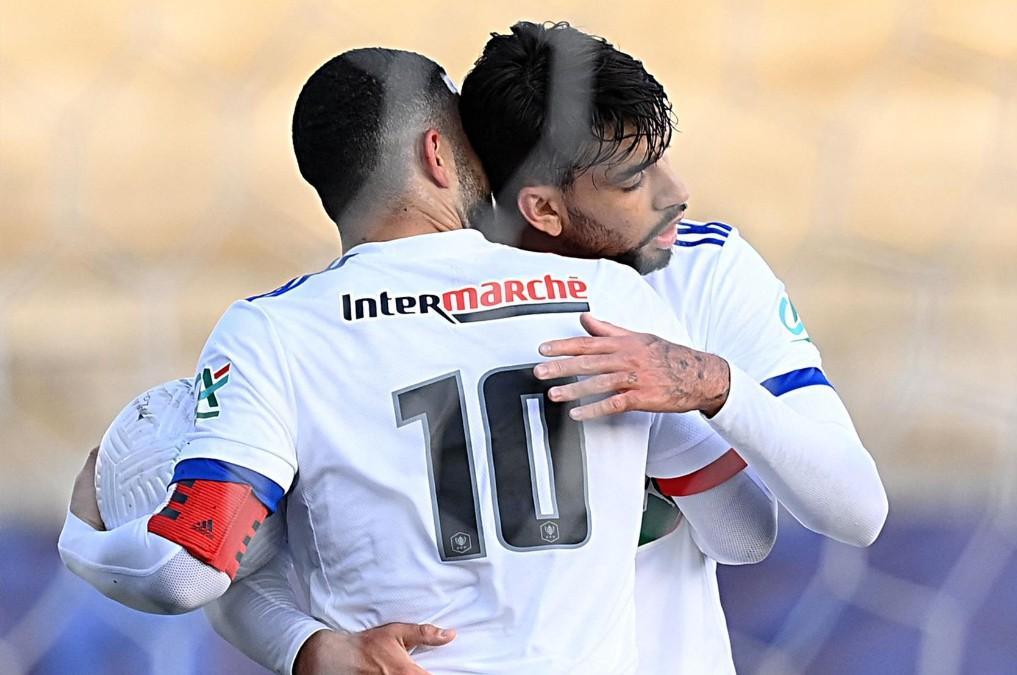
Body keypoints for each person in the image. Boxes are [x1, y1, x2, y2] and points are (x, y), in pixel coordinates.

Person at [58, 47, 778, 675]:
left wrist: (83, 537)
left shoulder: (274, 332)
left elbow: (192, 568)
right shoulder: (607, 295)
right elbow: (744, 530)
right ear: (438, 153)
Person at [205, 22, 889, 675]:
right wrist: (308, 646)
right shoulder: (374, 319)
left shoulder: (704, 268)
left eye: (660, 157)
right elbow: (241, 563)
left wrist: (713, 385)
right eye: (632, 179)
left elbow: (851, 511)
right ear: (543, 210)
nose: (676, 194)